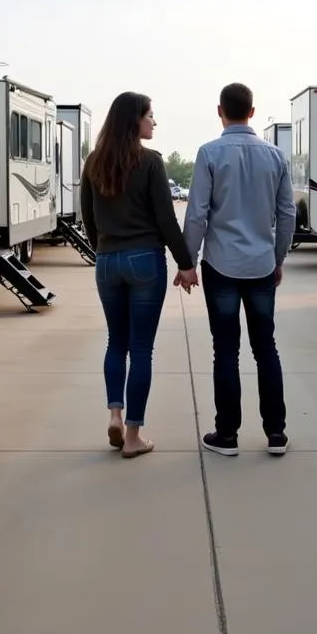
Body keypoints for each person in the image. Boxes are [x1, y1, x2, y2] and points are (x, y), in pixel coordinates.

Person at [81, 92, 199, 458]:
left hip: (107, 260)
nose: (154, 122)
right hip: (145, 260)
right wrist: (185, 263)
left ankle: (115, 414)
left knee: (116, 343)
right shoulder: (150, 162)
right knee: (141, 348)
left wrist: (102, 248)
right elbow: (166, 218)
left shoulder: (93, 162)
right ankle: (133, 437)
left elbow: (88, 217)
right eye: (150, 116)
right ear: (135, 120)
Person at [182, 83, 297, 456]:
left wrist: (188, 261)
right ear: (252, 111)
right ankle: (276, 434)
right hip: (262, 265)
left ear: (220, 111)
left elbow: (197, 212)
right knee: (266, 349)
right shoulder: (276, 156)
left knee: (226, 350)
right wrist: (278, 259)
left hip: (222, 265)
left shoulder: (209, 153)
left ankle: (227, 435)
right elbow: (287, 214)